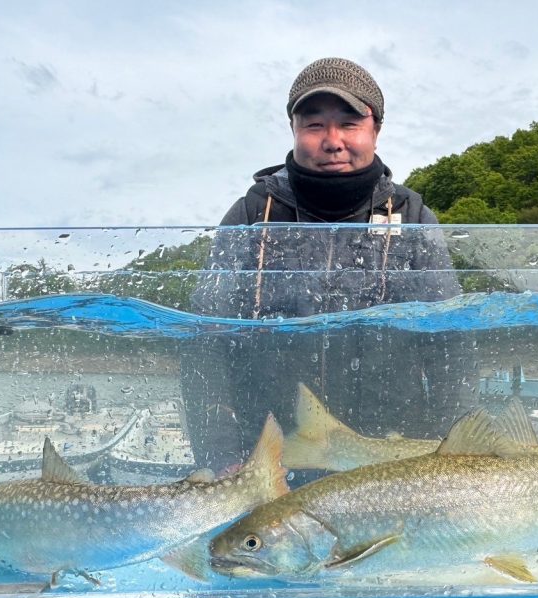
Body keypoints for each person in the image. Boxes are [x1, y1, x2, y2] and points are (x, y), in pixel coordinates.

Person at [180, 57, 474, 473]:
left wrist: (453, 456)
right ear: (294, 131)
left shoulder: (411, 215)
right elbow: (205, 341)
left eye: (349, 123)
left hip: (390, 455)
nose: (333, 140)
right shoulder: (251, 214)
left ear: (376, 130)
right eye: (314, 124)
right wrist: (222, 456)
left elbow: (452, 346)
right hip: (268, 458)